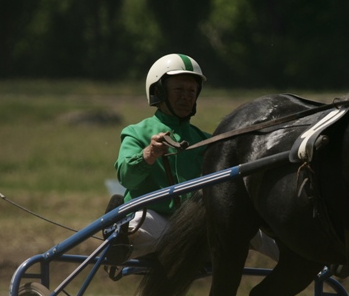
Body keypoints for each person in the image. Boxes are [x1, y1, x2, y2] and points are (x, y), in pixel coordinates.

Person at [110, 53, 278, 263]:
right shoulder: (136, 133)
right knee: (138, 229)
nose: (187, 96)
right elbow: (127, 178)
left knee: (256, 230)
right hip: (154, 218)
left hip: (195, 224)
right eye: (179, 90)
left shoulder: (207, 140)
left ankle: (315, 260)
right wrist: (149, 154)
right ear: (158, 92)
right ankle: (117, 238)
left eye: (192, 91)